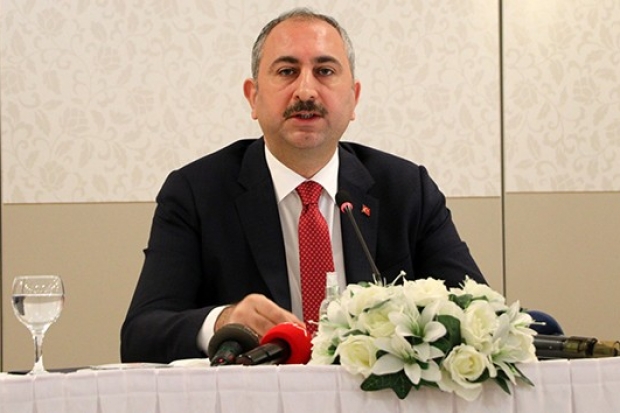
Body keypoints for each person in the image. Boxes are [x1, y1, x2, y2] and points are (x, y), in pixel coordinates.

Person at [120, 7, 485, 364]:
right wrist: (223, 320)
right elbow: (141, 336)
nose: (306, 91)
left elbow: (480, 317)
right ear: (253, 97)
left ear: (354, 98)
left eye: (324, 71)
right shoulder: (196, 193)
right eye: (287, 71)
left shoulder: (406, 190)